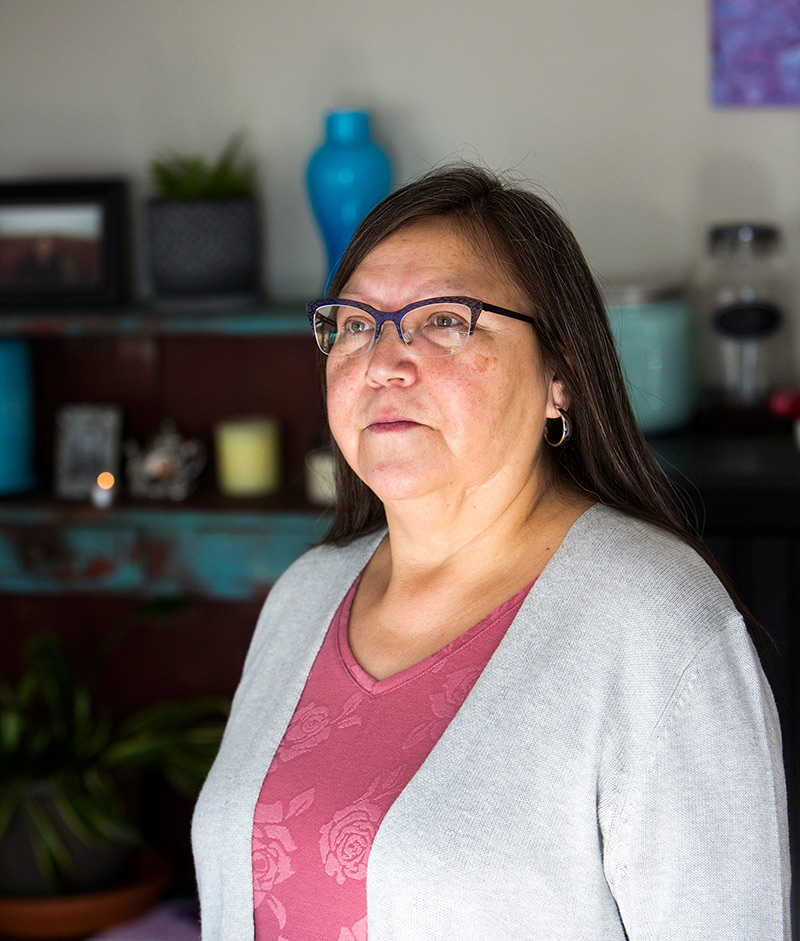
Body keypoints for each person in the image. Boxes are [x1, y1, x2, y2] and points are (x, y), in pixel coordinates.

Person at [192, 165, 790, 940]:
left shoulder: (657, 623)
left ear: (560, 373)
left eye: (443, 320)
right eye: (353, 324)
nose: (381, 361)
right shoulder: (305, 595)